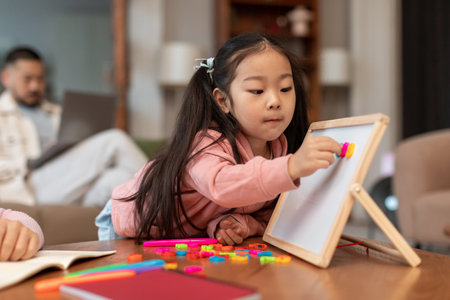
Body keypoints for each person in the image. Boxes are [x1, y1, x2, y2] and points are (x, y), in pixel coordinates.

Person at [105, 32, 341, 245]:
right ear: (223, 101)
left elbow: (270, 213)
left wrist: (237, 223)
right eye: (257, 91)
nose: (275, 101)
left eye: (285, 88)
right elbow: (222, 185)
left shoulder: (280, 150)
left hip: (182, 234)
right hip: (126, 223)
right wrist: (291, 167)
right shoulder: (206, 143)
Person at [0, 47, 147, 207]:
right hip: (31, 187)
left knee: (120, 178)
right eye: (27, 79)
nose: (35, 86)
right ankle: (170, 194)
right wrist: (30, 162)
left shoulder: (58, 112)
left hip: (71, 184)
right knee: (115, 139)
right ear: (6, 77)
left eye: (40, 79)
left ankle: (168, 221)